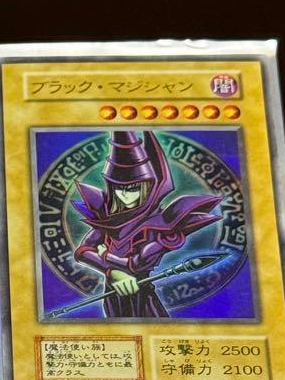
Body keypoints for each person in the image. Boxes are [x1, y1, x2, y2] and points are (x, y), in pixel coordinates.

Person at [71, 130, 222, 318]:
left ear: (147, 187)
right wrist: (112, 273)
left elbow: (137, 264)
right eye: (119, 189)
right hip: (112, 292)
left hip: (140, 292)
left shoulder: (162, 225)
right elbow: (82, 251)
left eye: (133, 189)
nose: (124, 195)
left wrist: (105, 255)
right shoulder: (110, 219)